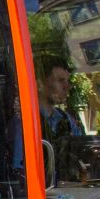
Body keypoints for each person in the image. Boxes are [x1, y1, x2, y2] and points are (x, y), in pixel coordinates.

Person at [35, 53, 87, 181]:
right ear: (39, 84)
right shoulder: (25, 122)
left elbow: (83, 150)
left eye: (67, 81)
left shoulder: (66, 119)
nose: (67, 87)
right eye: (60, 80)